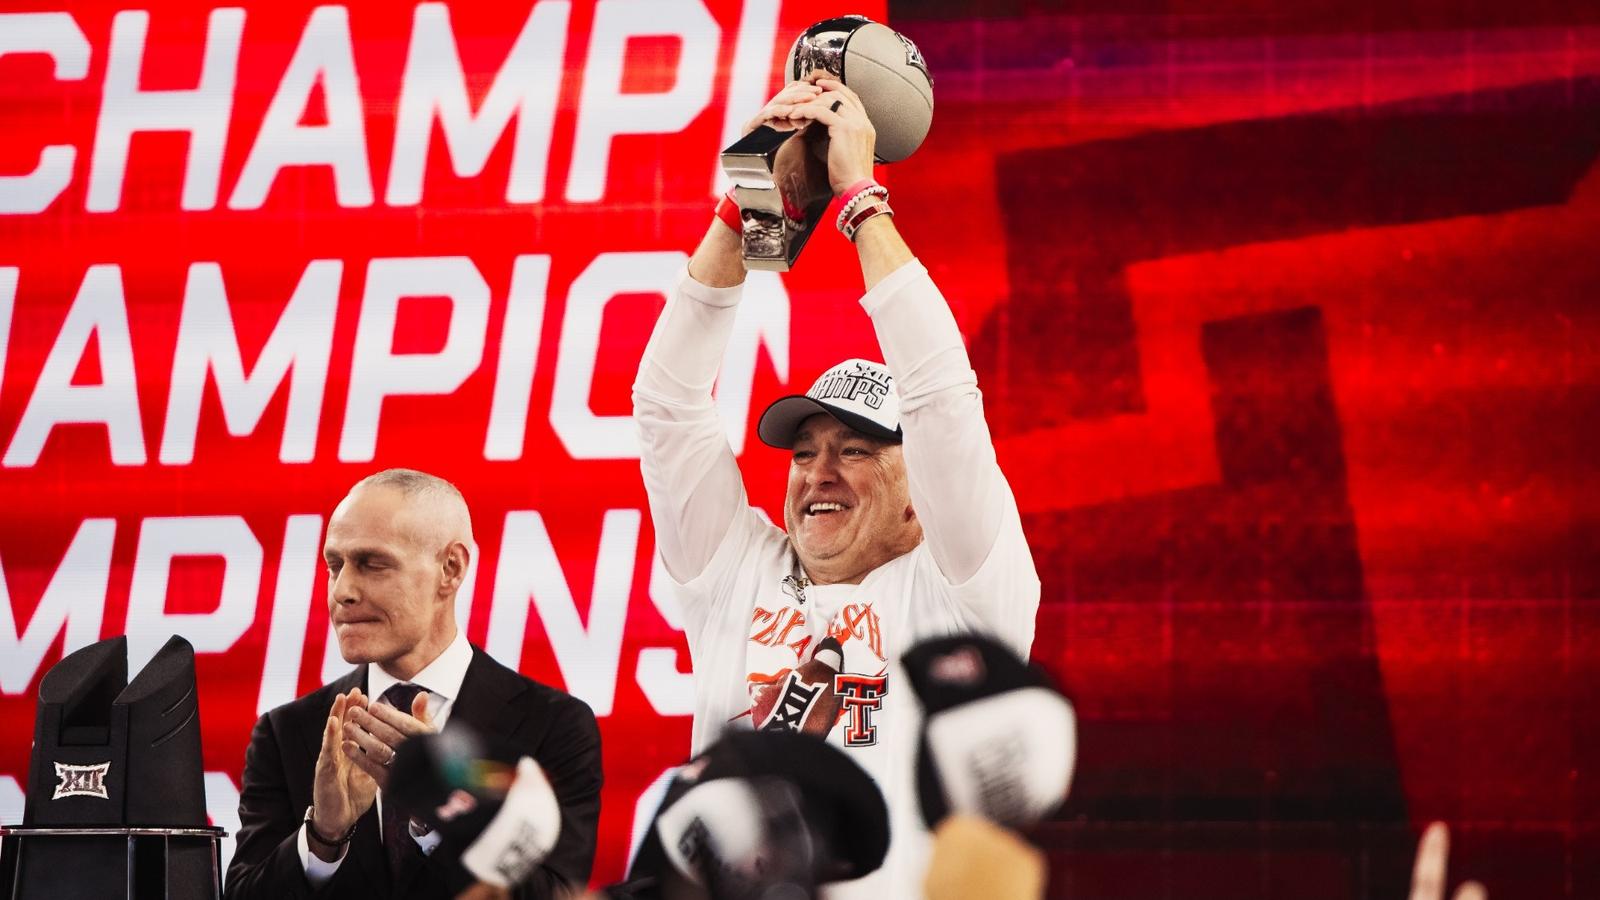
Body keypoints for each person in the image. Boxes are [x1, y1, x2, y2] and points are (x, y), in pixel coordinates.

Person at [632, 77, 1040, 898]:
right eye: (804, 451)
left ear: (919, 491)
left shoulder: (962, 592)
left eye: (856, 450)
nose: (819, 471)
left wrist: (860, 200)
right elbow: (667, 403)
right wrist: (749, 197)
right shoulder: (733, 575)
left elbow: (941, 399)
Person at [225, 468, 603, 900]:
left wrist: (442, 817)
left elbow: (555, 894)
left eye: (372, 564)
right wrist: (323, 838)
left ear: (451, 568)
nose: (342, 591)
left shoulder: (553, 725)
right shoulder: (287, 731)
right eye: (335, 565)